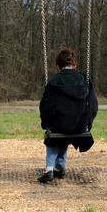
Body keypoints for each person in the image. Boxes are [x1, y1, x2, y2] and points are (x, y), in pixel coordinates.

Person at [38, 47, 98, 184]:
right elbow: (93, 105)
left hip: (58, 126)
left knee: (54, 137)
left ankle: (49, 170)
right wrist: (88, 123)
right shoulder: (84, 80)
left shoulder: (53, 82)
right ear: (74, 64)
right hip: (79, 126)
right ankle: (61, 167)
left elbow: (45, 106)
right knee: (63, 135)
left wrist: (46, 123)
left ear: (58, 66)